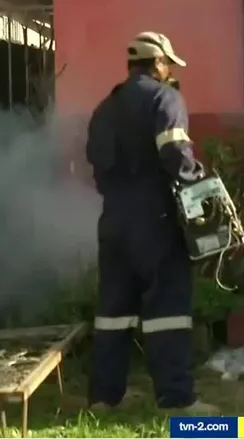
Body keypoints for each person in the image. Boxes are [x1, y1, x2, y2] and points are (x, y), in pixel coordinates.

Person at [85, 31, 218, 415]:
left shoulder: (104, 108)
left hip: (113, 221)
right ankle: (175, 399)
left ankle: (104, 398)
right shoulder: (165, 98)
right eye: (168, 63)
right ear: (158, 63)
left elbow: (97, 163)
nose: (170, 70)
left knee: (113, 311)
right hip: (156, 219)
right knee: (167, 308)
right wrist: (198, 186)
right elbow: (175, 151)